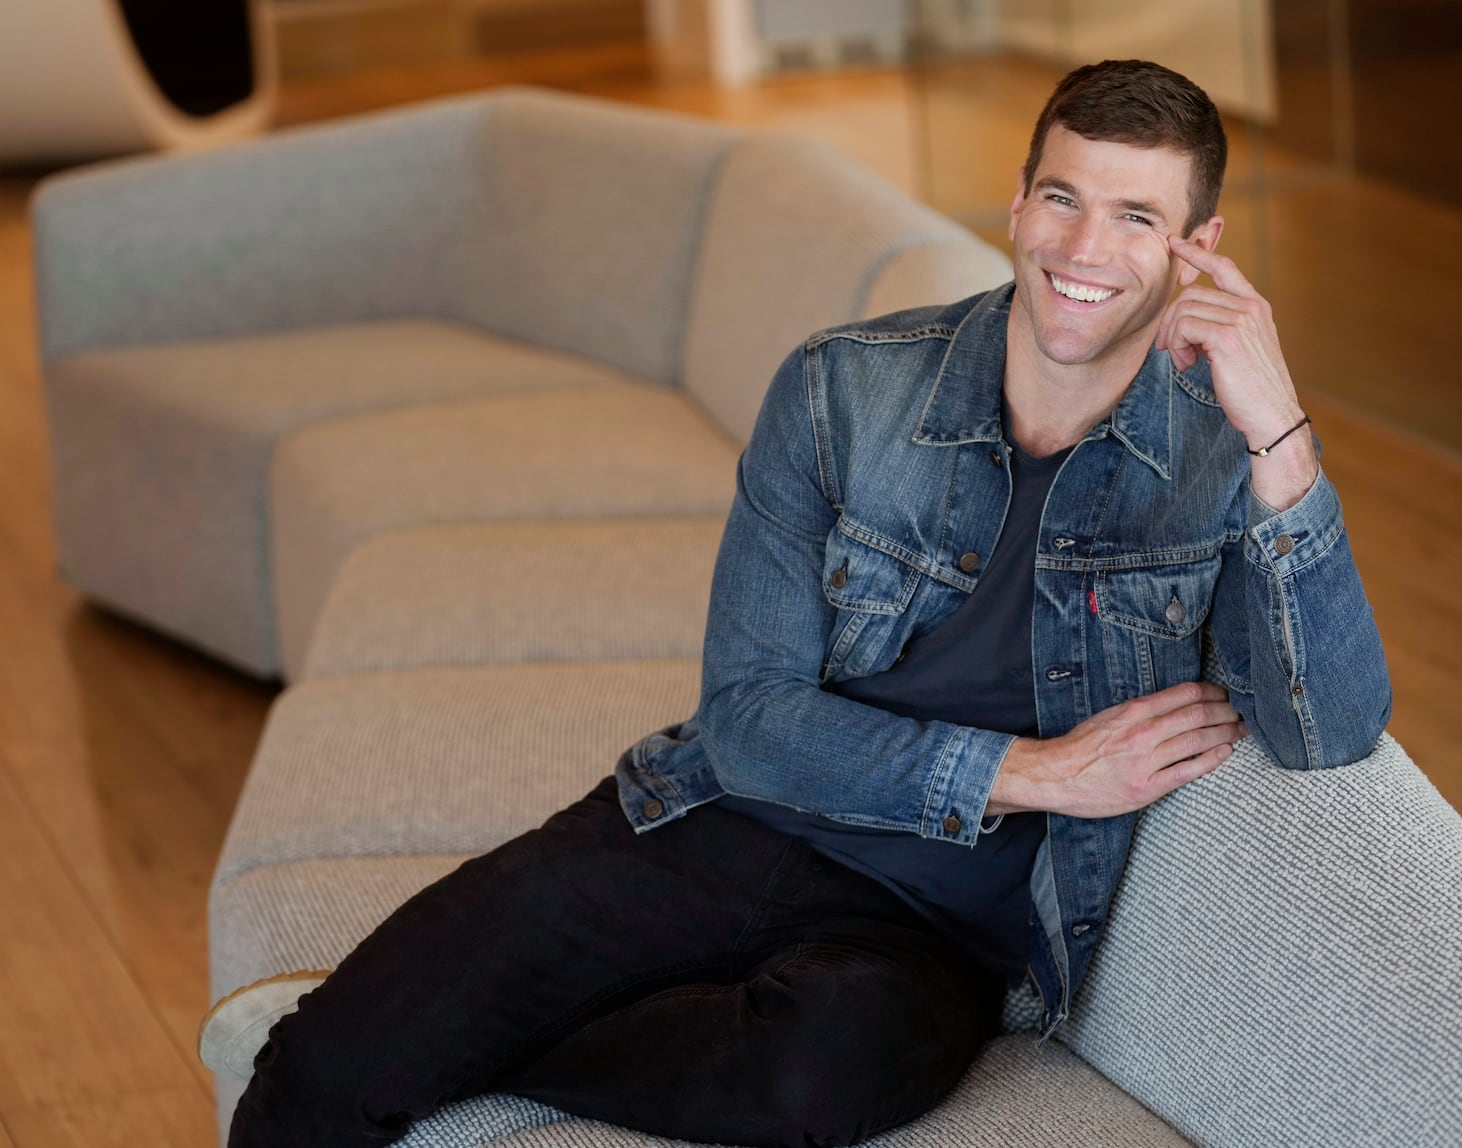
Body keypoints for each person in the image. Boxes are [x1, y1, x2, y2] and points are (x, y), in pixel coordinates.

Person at [202, 58, 1391, 1148]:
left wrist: (1280, 437)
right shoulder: (844, 389)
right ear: (1017, 202)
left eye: (1137, 216)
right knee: (326, 1061)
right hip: (722, 816)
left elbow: (1325, 729)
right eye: (1065, 198)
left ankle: (484, 1036)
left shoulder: (1219, 456)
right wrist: (1033, 772)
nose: (1087, 246)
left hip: (929, 929)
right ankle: (442, 1027)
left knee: (808, 1084)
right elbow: (751, 719)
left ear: (1200, 249)